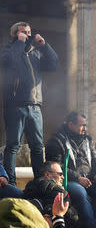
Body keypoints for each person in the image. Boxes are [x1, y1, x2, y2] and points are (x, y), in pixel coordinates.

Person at [0, 21, 59, 185]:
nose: (27, 35)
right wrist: (19, 42)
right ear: (14, 34)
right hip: (15, 105)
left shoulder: (35, 53)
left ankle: (41, 182)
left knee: (38, 147)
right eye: (23, 32)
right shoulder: (7, 51)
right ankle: (10, 182)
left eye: (28, 32)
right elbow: (13, 61)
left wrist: (44, 46)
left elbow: (54, 64)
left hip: (35, 106)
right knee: (13, 145)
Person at [45, 112, 96, 227]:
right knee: (80, 192)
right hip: (69, 180)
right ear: (71, 125)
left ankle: (90, 224)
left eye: (86, 125)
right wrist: (78, 178)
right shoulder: (56, 141)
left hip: (89, 180)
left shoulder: (87, 140)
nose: (85, 129)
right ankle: (91, 225)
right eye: (82, 125)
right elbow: (58, 166)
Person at [23, 161, 79, 227]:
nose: (63, 177)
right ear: (47, 175)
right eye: (60, 174)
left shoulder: (29, 189)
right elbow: (73, 218)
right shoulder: (59, 192)